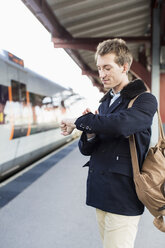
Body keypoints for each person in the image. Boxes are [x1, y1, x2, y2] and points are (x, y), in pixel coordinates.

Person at [60, 38, 157, 248]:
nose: (102, 74)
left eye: (107, 67)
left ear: (125, 66)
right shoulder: (105, 103)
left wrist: (82, 122)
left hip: (123, 195)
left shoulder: (144, 100)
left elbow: (121, 125)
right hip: (101, 192)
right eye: (99, 68)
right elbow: (87, 150)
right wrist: (90, 131)